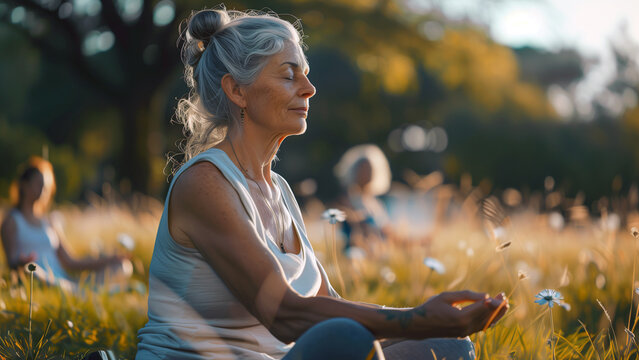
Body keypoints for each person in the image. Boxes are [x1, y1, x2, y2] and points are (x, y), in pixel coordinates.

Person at [136, 6, 508, 359]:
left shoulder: (278, 190)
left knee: (448, 347)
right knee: (346, 337)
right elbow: (285, 314)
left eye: (306, 73)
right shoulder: (204, 183)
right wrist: (418, 320)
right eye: (288, 74)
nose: (309, 88)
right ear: (237, 90)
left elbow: (327, 302)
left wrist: (430, 322)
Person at [0, 157, 131, 291]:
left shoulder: (49, 221)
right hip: (37, 278)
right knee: (31, 270)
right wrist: (22, 263)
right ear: (24, 185)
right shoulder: (12, 221)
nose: (43, 189)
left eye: (45, 185)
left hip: (63, 279)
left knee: (122, 266)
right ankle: (87, 291)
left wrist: (110, 260)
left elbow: (70, 262)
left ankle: (79, 290)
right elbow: (12, 262)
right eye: (38, 184)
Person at [334, 144, 393, 250]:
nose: (366, 173)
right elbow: (356, 229)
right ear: (354, 171)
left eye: (369, 169)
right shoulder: (347, 200)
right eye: (363, 169)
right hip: (357, 253)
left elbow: (387, 231)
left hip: (377, 252)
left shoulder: (375, 202)